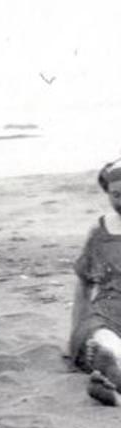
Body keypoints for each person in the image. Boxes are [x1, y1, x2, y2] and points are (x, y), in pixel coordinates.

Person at [70, 159, 121, 406]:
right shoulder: (99, 232)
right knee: (105, 344)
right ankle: (110, 366)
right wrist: (74, 333)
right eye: (116, 195)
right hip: (107, 314)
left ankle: (115, 396)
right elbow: (83, 286)